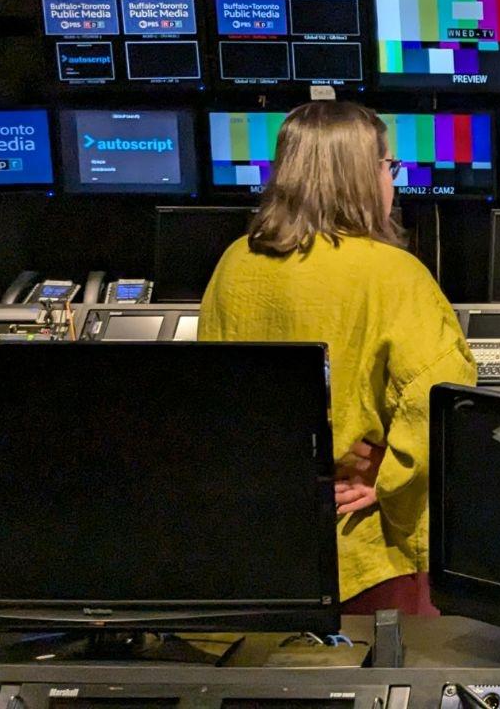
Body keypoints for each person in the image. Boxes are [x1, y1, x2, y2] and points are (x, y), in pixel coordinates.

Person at [198, 101, 477, 615]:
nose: (392, 178)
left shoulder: (234, 263)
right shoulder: (393, 275)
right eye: (387, 165)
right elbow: (442, 405)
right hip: (360, 551)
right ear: (360, 176)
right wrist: (388, 479)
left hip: (257, 538)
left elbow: (213, 397)